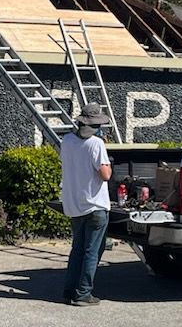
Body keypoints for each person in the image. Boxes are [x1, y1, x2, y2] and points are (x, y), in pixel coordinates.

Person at [61, 102, 112, 306]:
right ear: (96, 125)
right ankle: (83, 294)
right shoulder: (96, 143)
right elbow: (105, 174)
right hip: (96, 205)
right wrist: (108, 163)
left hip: (74, 204)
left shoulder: (66, 141)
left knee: (77, 250)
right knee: (92, 251)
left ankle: (69, 291)